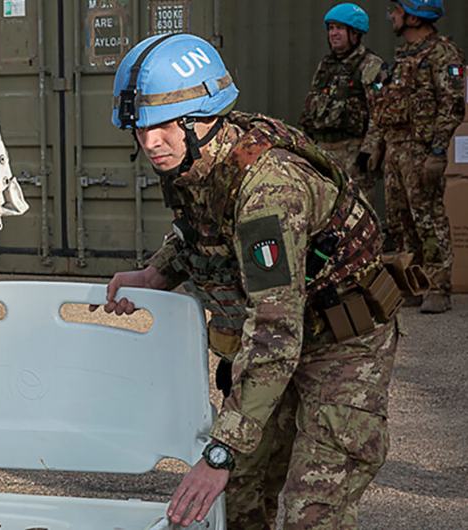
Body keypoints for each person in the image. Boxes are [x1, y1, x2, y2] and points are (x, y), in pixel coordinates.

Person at [100, 33, 399, 529]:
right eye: (139, 128)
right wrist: (159, 271)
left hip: (344, 342)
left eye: (163, 126)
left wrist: (220, 454)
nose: (150, 142)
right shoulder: (192, 157)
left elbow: (274, 331)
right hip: (282, 332)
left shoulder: (269, 191)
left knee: (311, 511)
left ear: (202, 118)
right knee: (238, 501)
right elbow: (199, 228)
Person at [369, 0, 465, 313]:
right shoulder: (402, 56)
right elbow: (387, 104)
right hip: (396, 149)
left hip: (421, 150)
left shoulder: (442, 53)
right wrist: (378, 147)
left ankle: (438, 287)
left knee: (428, 219)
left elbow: (452, 105)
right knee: (400, 222)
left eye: (396, 11)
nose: (391, 17)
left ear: (414, 16)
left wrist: (437, 151)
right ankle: (413, 284)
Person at [299, 3, 384, 198]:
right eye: (331, 28)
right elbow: (313, 103)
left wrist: (368, 151)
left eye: (339, 28)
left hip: (352, 151)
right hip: (323, 150)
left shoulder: (370, 65)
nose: (333, 33)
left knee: (356, 209)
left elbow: (379, 113)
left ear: (354, 33)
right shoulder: (326, 65)